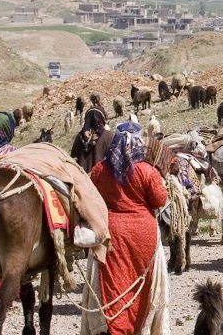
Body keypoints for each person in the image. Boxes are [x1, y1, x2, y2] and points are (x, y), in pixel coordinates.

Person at [84, 122, 170, 334]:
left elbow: (89, 196)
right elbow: (160, 199)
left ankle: (113, 327)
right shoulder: (146, 171)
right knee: (143, 284)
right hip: (143, 235)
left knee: (112, 284)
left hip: (110, 234)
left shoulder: (100, 170)